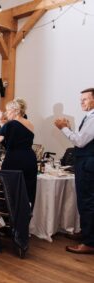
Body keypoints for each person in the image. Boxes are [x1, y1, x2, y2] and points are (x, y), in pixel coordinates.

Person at [54, 88, 94, 254]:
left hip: (88, 164)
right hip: (85, 163)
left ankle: (89, 242)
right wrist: (69, 128)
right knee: (86, 201)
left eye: (85, 99)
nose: (81, 102)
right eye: (81, 99)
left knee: (87, 203)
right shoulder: (89, 117)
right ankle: (86, 233)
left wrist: (64, 128)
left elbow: (80, 141)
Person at [0, 98, 37, 208]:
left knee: (10, 190)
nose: (6, 114)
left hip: (14, 159)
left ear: (16, 110)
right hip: (30, 159)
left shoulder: (11, 124)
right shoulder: (29, 123)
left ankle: (9, 218)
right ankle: (24, 217)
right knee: (27, 190)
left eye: (8, 111)